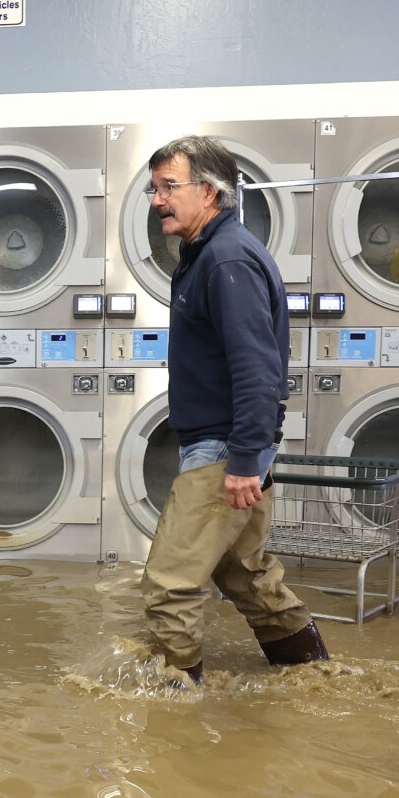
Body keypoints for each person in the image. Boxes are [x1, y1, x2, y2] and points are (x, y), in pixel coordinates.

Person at [139, 135, 329, 683]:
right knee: (247, 576)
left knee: (169, 586)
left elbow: (257, 366)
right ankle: (313, 681)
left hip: (225, 448)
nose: (158, 200)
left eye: (169, 187)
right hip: (230, 444)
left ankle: (171, 716)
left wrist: (245, 458)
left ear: (211, 191)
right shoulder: (206, 254)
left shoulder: (225, 257)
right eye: (155, 189)